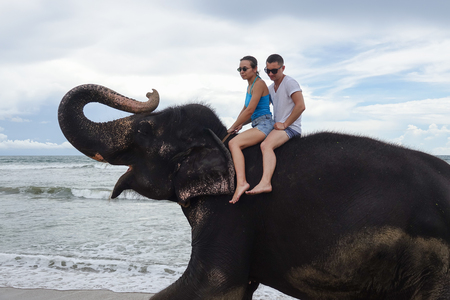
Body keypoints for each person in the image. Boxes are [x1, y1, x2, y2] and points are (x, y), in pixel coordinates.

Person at [247, 54, 306, 195]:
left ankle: (265, 183)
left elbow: (301, 106)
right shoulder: (270, 88)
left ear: (283, 68)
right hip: (277, 128)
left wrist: (285, 124)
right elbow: (261, 111)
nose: (271, 74)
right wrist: (240, 124)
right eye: (268, 71)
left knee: (266, 145)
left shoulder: (290, 83)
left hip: (290, 128)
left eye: (274, 71)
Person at [227, 56, 274, 204]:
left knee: (234, 144)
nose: (241, 71)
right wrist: (240, 124)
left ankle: (242, 183)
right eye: (239, 69)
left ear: (254, 69)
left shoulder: (259, 84)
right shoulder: (249, 85)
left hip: (265, 125)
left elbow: (250, 110)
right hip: (257, 123)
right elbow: (246, 110)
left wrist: (233, 126)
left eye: (245, 69)